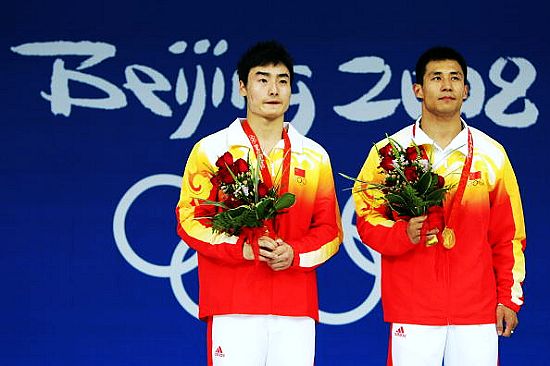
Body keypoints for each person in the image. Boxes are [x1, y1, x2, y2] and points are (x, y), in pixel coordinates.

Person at [352, 46, 526, 365]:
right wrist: (403, 233)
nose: (446, 85)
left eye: (455, 78)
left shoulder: (492, 155)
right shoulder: (389, 154)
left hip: (477, 309)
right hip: (413, 308)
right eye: (436, 77)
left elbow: (509, 237)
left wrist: (509, 299)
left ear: (466, 90)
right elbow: (365, 218)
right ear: (418, 89)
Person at [176, 40, 343, 366]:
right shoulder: (211, 150)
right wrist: (242, 249)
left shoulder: (314, 156)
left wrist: (294, 254)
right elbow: (190, 220)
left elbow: (331, 232)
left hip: (295, 306)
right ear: (243, 86)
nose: (273, 89)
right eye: (262, 79)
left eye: (282, 80)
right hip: (233, 303)